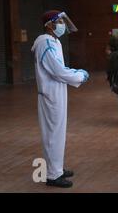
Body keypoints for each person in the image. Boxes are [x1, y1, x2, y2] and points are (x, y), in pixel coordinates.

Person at [31, 10, 89, 188]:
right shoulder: (44, 43)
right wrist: (79, 75)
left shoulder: (54, 41)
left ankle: (56, 168)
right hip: (50, 94)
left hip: (57, 91)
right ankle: (52, 175)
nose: (62, 25)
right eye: (60, 22)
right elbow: (57, 71)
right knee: (53, 134)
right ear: (49, 25)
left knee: (58, 133)